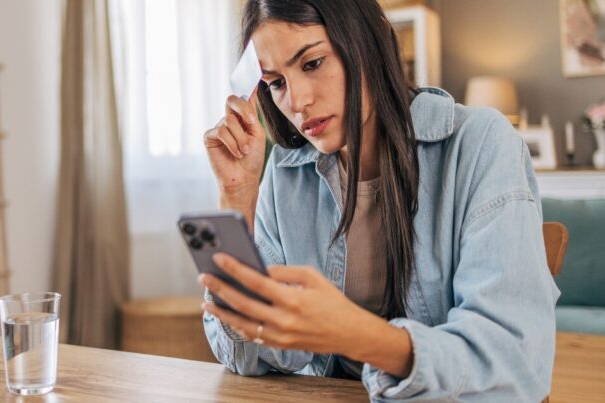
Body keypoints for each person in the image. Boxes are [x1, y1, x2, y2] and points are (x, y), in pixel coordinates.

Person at [199, 0, 559, 401]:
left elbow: (515, 363)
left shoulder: (480, 145)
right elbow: (247, 355)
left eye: (312, 63)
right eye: (276, 83)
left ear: (371, 41)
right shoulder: (285, 176)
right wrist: (237, 197)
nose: (296, 101)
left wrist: (356, 334)